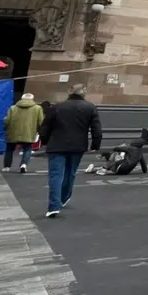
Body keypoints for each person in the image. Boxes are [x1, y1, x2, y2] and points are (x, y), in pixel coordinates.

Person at [39, 84, 102, 218]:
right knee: (70, 173)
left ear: (70, 92)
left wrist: (44, 141)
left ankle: (53, 206)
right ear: (84, 93)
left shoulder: (56, 107)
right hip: (77, 146)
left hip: (56, 145)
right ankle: (64, 197)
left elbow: (45, 127)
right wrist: (95, 145)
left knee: (56, 175)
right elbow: (96, 129)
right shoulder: (90, 107)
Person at [3, 93, 44, 173]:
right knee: (27, 149)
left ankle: (7, 167)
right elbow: (41, 122)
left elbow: (7, 121)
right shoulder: (38, 108)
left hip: (13, 132)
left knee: (9, 150)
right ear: (32, 99)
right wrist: (39, 131)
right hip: (29, 133)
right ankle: (23, 165)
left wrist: (6, 128)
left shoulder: (13, 108)